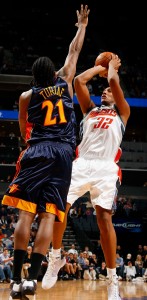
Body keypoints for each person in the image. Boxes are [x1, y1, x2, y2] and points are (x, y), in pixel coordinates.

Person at [1, 4, 90, 299]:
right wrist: (82, 26)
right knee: (48, 217)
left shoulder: (26, 96)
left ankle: (15, 280)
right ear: (51, 73)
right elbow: (73, 52)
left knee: (25, 216)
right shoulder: (64, 84)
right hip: (63, 154)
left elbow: (24, 126)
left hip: (37, 149)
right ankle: (32, 281)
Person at [42, 53, 130, 300]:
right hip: (81, 164)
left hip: (105, 168)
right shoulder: (89, 110)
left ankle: (113, 281)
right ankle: (56, 257)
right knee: (60, 207)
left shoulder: (122, 112)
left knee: (104, 220)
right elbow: (79, 81)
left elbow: (113, 83)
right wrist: (98, 67)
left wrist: (111, 69)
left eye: (109, 92)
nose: (105, 92)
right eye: (102, 91)